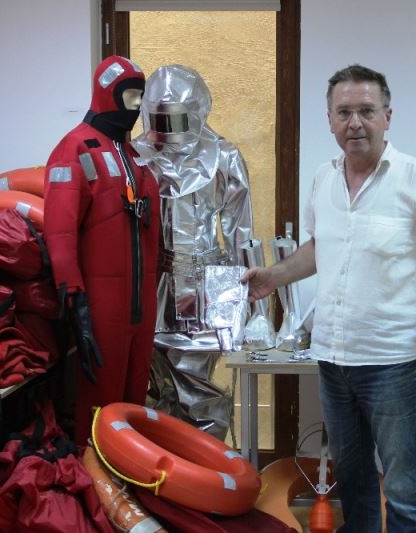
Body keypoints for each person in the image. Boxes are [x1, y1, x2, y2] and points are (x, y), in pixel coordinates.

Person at [241, 64, 416, 532]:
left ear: (387, 116)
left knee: (406, 488)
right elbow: (320, 248)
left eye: (366, 111)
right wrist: (273, 277)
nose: (355, 123)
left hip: (394, 361)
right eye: (344, 112)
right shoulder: (323, 180)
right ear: (329, 120)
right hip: (333, 359)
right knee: (354, 481)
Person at [131, 64, 255, 439]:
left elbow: (240, 235)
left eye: (177, 118)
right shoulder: (135, 157)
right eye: (160, 119)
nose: (169, 131)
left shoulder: (223, 157)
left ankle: (206, 466)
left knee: (197, 388)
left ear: (197, 111)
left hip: (206, 287)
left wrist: (253, 307)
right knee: (157, 391)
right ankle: (163, 467)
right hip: (153, 286)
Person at [43, 55, 160, 445]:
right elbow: (60, 233)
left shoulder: (133, 157)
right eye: (129, 95)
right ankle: (94, 479)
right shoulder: (75, 149)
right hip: (101, 305)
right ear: (107, 94)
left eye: (140, 96)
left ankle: (132, 478)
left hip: (140, 305)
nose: (136, 105)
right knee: (101, 406)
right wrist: (74, 301)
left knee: (134, 405)